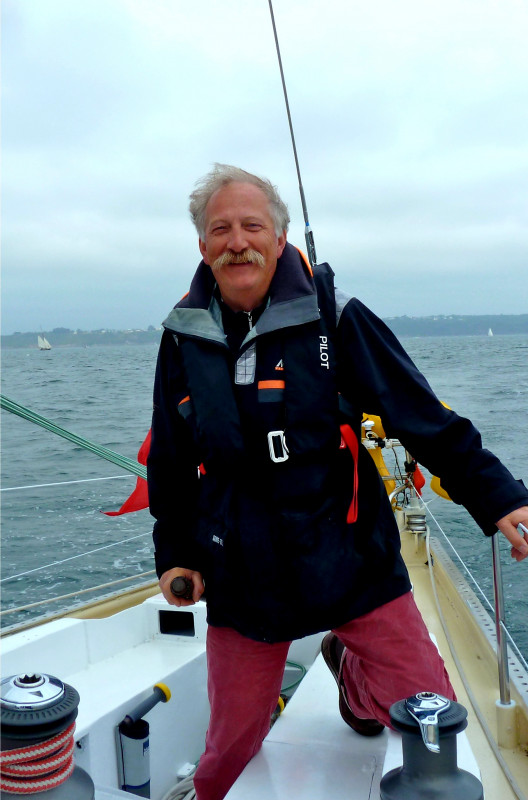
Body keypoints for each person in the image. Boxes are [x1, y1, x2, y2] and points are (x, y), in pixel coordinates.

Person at [147, 164, 528, 800]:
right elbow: (170, 460)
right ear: (202, 245)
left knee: (429, 723)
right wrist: (176, 554)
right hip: (245, 576)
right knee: (229, 751)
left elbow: (421, 416)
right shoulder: (181, 338)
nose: (237, 241)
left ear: (279, 236)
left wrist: (499, 495)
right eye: (221, 229)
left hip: (351, 558)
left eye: (252, 225)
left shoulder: (336, 316)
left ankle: (353, 679)